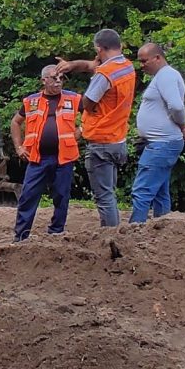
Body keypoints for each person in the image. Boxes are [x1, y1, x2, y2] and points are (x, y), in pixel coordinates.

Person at [55, 28, 136, 227]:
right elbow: (91, 65)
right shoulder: (127, 67)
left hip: (101, 142)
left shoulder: (105, 74)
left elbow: (87, 103)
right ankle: (114, 232)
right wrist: (71, 65)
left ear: (99, 49)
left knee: (104, 197)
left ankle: (110, 236)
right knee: (109, 193)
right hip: (117, 140)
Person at [9, 65, 82, 241]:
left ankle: (56, 233)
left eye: (61, 78)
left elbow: (94, 113)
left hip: (64, 157)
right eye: (54, 78)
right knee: (28, 196)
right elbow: (15, 122)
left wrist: (82, 129)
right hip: (37, 158)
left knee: (62, 196)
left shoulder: (73, 98)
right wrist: (19, 147)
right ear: (44, 80)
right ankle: (21, 236)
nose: (58, 81)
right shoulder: (31, 101)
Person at [129, 43, 185, 223]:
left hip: (162, 143)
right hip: (161, 142)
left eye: (144, 61)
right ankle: (163, 230)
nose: (141, 65)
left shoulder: (166, 75)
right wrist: (182, 125)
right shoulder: (164, 76)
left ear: (157, 58)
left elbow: (176, 106)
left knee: (142, 190)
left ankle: (134, 230)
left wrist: (181, 123)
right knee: (159, 191)